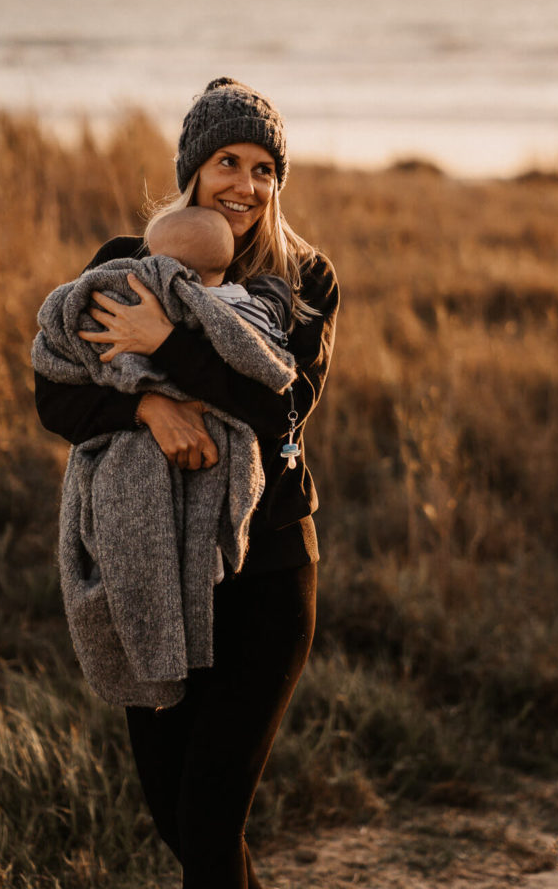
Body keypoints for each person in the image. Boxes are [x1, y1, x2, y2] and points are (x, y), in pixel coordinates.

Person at [34, 76, 340, 889]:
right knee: (176, 817)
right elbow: (57, 393)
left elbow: (284, 407)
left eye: (265, 169)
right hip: (154, 569)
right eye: (227, 162)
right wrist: (150, 411)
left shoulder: (304, 283)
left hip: (268, 573)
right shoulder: (123, 268)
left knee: (209, 819)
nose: (245, 185)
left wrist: (169, 344)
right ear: (192, 170)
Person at [145, 205, 291, 346]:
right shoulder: (244, 303)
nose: (147, 262)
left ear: (179, 269)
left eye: (154, 258)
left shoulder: (175, 304)